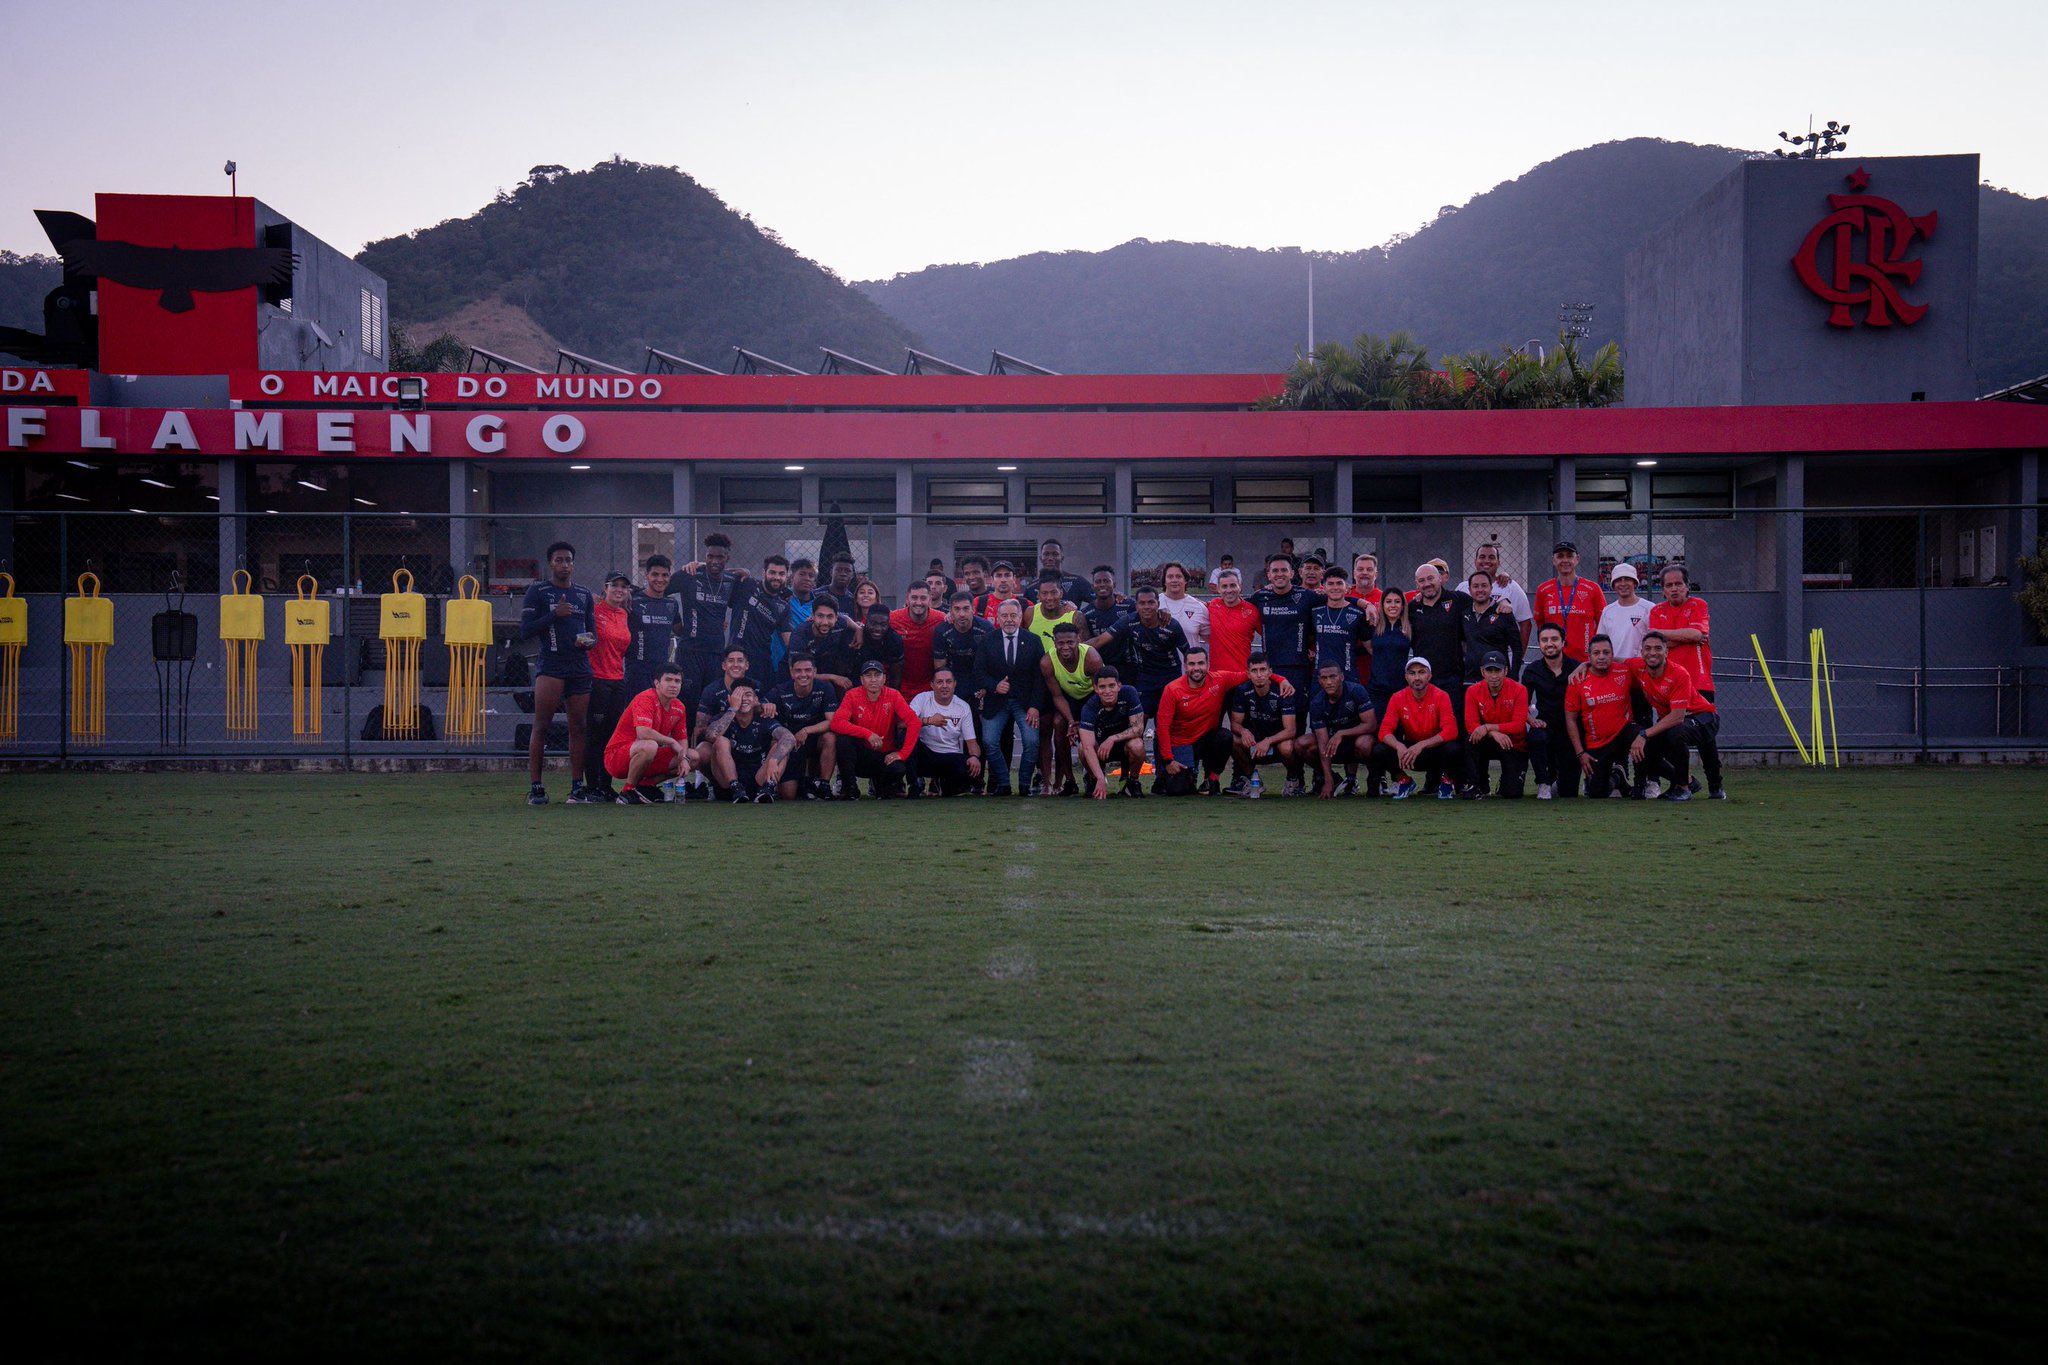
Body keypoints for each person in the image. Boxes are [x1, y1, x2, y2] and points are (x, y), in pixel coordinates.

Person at [521, 541, 600, 806]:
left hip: (579, 667)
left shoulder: (583, 594)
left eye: (568, 560)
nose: (564, 564)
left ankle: (577, 788)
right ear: (550, 563)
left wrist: (588, 641)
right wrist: (554, 615)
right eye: (559, 560)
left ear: (573, 564)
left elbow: (593, 633)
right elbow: (525, 631)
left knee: (578, 727)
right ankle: (536, 788)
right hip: (551, 666)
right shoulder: (538, 591)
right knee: (541, 725)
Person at [1154, 644, 1290, 796]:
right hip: (1180, 744)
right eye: (1192, 664)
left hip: (1205, 741)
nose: (1196, 668)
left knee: (1225, 737)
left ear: (1208, 665)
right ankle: (1170, 778)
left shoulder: (1219, 679)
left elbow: (1254, 674)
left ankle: (1213, 780)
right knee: (1178, 790)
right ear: (1185, 667)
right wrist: (1168, 760)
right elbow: (1162, 727)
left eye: (1200, 663)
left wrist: (1281, 679)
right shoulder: (1172, 689)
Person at [1646, 566, 1724, 798]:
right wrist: (1683, 636)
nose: (1674, 589)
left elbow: (1697, 635)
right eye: (1668, 585)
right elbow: (1659, 643)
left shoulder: (1698, 605)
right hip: (1669, 686)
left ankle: (1716, 787)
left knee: (1706, 742)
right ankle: (1682, 784)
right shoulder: (1657, 611)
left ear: (1687, 586)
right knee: (1670, 737)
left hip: (1699, 683)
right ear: (1662, 590)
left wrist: (1665, 636)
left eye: (1678, 584)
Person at [1629, 631, 1722, 801]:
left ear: (1666, 652)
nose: (1652, 652)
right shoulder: (1637, 666)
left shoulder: (1678, 673)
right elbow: (1616, 665)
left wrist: (1644, 734)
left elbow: (1678, 717)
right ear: (1641, 652)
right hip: (1677, 722)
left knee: (1675, 733)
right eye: (1647, 648)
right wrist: (1585, 666)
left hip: (1703, 717)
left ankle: (1683, 789)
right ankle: (1684, 781)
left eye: (1658, 648)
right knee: (1647, 750)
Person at [974, 600, 1045, 798]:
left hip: (1025, 703)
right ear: (998, 618)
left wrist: (1035, 707)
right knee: (989, 741)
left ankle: (1024, 784)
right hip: (996, 701)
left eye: (1013, 615)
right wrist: (994, 685)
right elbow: (978, 673)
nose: (1009, 620)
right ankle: (1003, 783)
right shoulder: (987, 640)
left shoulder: (1033, 640)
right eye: (1004, 616)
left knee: (1031, 741)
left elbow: (1040, 679)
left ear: (1020, 617)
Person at [604, 661, 696, 805]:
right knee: (650, 745)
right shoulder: (645, 698)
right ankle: (627, 791)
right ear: (657, 683)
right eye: (668, 680)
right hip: (617, 757)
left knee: (693, 756)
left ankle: (646, 786)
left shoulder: (679, 706)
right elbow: (643, 733)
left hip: (646, 755)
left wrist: (684, 758)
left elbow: (682, 739)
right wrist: (671, 741)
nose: (673, 685)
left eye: (677, 681)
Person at [1370, 657, 1461, 800]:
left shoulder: (1441, 696)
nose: (1417, 677)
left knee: (1454, 748)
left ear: (1429, 676)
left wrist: (1422, 744)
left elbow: (1451, 730)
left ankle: (1447, 782)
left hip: (1433, 751)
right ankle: (1403, 780)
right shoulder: (1397, 697)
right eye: (1412, 673)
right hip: (1409, 753)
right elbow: (1384, 731)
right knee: (1379, 750)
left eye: (1421, 672)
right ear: (1406, 677)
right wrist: (1399, 746)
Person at [829, 660, 921, 799]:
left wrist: (902, 754)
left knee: (898, 768)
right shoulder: (852, 695)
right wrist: (867, 734)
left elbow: (914, 722)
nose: (873, 680)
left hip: (884, 756)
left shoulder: (893, 695)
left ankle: (882, 787)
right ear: (861, 679)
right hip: (860, 756)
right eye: (868, 675)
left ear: (884, 679)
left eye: (877, 675)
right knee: (843, 740)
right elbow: (836, 723)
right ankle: (850, 788)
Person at [1565, 634, 1642, 799]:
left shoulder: (1625, 670)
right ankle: (1618, 777)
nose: (1601, 657)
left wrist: (1643, 736)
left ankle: (1646, 785)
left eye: (1606, 652)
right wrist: (1581, 753)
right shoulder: (1578, 679)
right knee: (1597, 793)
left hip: (1624, 733)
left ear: (1613, 655)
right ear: (1589, 656)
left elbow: (1647, 664)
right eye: (1596, 653)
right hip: (1597, 743)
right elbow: (1570, 719)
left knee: (1645, 741)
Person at [932, 591, 994, 791]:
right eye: (956, 609)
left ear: (973, 610)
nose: (961, 614)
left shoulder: (985, 628)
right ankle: (941, 779)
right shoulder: (942, 631)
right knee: (948, 731)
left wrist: (986, 687)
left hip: (980, 684)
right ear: (950, 611)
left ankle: (979, 780)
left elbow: (992, 663)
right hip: (954, 684)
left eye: (966, 608)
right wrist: (945, 691)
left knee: (978, 731)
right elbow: (940, 667)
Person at [582, 572, 634, 802]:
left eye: (624, 586)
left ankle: (606, 785)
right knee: (595, 734)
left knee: (612, 736)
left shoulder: (624, 614)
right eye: (615, 586)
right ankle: (591, 786)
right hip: (596, 679)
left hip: (617, 681)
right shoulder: (593, 610)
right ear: (605, 588)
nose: (619, 590)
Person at [676, 532, 744, 705]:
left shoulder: (731, 580)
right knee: (688, 701)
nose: (714, 561)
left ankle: (708, 733)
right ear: (704, 557)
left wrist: (747, 572)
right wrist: (676, 623)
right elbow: (659, 589)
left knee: (711, 702)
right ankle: (685, 733)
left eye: (719, 557)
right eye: (710, 556)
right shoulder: (690, 574)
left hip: (715, 652)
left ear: (727, 558)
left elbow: (743, 601)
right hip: (690, 651)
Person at [705, 679, 797, 804]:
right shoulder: (722, 718)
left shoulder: (764, 719)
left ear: (756, 700)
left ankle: (768, 788)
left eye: (748, 695)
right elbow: (711, 735)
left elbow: (789, 738)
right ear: (729, 698)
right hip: (728, 783)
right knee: (720, 741)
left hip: (758, 779)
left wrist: (774, 760)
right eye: (738, 695)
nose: (743, 699)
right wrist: (732, 708)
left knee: (780, 745)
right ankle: (736, 788)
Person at [1038, 621, 1103, 796]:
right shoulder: (1047, 662)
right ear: (1054, 643)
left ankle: (1093, 776)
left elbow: (1101, 690)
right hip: (1068, 699)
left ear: (1079, 640)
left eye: (1070, 642)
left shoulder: (1091, 657)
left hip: (1093, 698)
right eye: (1061, 643)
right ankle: (1069, 780)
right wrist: (1071, 721)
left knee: (1090, 733)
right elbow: (1057, 696)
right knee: (1058, 723)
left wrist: (1085, 720)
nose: (1065, 647)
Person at [1227, 652, 1302, 796]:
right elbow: (1235, 724)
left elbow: (1291, 730)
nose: (1259, 674)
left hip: (1277, 742)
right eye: (1254, 671)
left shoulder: (1283, 691)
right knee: (1232, 739)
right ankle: (1252, 780)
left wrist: (1268, 741)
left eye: (1263, 670)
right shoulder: (1242, 691)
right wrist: (1243, 731)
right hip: (1253, 742)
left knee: (1287, 747)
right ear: (1248, 674)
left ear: (1270, 672)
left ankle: (1293, 780)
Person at [767, 653, 840, 800]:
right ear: (791, 672)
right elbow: (759, 705)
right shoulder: (780, 691)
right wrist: (764, 705)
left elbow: (832, 721)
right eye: (798, 670)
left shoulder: (825, 688)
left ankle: (824, 785)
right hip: (790, 745)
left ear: (814, 671)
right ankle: (791, 783)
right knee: (788, 795)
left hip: (813, 739)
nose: (803, 674)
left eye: (807, 670)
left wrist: (807, 730)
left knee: (830, 737)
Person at [1520, 622, 1579, 800]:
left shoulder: (1576, 667)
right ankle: (1544, 783)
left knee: (1568, 794)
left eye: (1554, 639)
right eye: (1544, 640)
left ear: (1563, 642)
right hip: (1546, 726)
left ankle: (1559, 781)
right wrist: (1531, 720)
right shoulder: (1532, 670)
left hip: (1571, 730)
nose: (1549, 643)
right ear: (1539, 643)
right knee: (1535, 737)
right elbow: (1522, 704)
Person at [1305, 661, 1376, 799]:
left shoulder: (1356, 691)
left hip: (1356, 742)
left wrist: (1342, 733)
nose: (1329, 682)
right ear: (1319, 681)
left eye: (1333, 677)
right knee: (1302, 744)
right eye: (1324, 678)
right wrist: (1328, 780)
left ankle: (1374, 779)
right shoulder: (1317, 703)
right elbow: (1322, 742)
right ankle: (1335, 779)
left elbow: (1371, 725)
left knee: (1365, 743)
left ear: (1341, 677)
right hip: (1333, 745)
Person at [1462, 650, 1529, 798]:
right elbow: (1471, 725)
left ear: (1505, 671)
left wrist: (1488, 727)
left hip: (1512, 743)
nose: (1493, 675)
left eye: (1497, 670)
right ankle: (1476, 784)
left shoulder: (1520, 690)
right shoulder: (1472, 691)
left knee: (1512, 793)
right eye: (1489, 670)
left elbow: (1518, 725)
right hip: (1487, 741)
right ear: (1482, 671)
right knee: (1470, 739)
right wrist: (1492, 732)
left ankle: (1506, 781)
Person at [1248, 554, 1316, 697]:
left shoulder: (1306, 596)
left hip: (1298, 667)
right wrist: (1206, 606)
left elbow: (1338, 600)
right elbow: (1236, 605)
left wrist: (1364, 604)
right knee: (1273, 716)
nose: (1280, 574)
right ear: (1269, 575)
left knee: (1298, 716)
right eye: (1275, 571)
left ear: (1292, 573)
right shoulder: (1260, 596)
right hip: (1270, 668)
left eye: (1284, 570)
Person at [908, 665, 982, 796]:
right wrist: (928, 721)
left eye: (948, 681)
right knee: (905, 737)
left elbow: (972, 743)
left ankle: (945, 784)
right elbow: (905, 723)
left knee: (969, 768)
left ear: (954, 684)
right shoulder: (921, 699)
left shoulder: (963, 707)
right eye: (939, 682)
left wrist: (975, 757)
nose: (944, 686)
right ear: (932, 685)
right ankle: (914, 783)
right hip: (925, 754)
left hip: (949, 755)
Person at [1077, 667, 1147, 799]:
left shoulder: (1129, 693)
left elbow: (1138, 728)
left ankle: (1132, 781)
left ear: (1119, 686)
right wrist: (1100, 778)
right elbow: (1087, 746)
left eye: (1111, 686)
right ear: (1096, 689)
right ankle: (1094, 779)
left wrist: (1112, 738)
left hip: (1124, 746)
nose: (1108, 691)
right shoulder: (1090, 706)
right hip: (1100, 749)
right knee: (1081, 748)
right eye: (1102, 687)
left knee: (1138, 745)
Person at [1534, 540, 1607, 663]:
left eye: (1569, 556)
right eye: (1560, 556)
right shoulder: (1543, 590)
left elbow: (1603, 624)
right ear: (1554, 560)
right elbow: (1541, 625)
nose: (1565, 560)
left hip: (1585, 661)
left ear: (1577, 559)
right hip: (1554, 660)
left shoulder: (1593, 589)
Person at [1405, 562, 1466, 710]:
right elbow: (1388, 603)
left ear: (1440, 578)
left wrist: (1503, 602)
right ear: (1416, 585)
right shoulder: (1412, 607)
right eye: (1422, 581)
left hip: (1453, 678)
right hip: (1424, 679)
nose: (1427, 584)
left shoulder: (1458, 600)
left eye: (1430, 578)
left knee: (1454, 724)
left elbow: (1483, 600)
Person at [728, 554, 792, 685]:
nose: (777, 577)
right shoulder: (747, 583)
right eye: (772, 572)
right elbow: (717, 571)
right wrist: (700, 565)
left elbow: (788, 640)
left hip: (761, 661)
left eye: (781, 574)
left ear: (786, 577)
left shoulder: (783, 607)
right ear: (764, 573)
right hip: (737, 655)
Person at [1310, 568, 1374, 686]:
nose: (1335, 587)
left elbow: (1370, 648)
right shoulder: (1315, 611)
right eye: (1330, 584)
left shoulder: (1358, 614)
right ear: (1324, 587)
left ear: (1347, 587)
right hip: (1321, 677)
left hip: (1347, 676)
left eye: (1339, 583)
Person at [1459, 569, 1523, 680]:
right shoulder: (1464, 613)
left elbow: (1517, 647)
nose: (1480, 590)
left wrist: (1514, 675)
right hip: (1471, 678)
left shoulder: (1503, 612)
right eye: (1476, 586)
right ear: (1469, 590)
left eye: (1484, 585)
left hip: (1498, 679)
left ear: (1491, 588)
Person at [1364, 586, 1413, 721]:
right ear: (1382, 605)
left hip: (1402, 688)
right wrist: (1365, 604)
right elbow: (1370, 649)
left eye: (1397, 602)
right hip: (1377, 689)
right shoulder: (1373, 625)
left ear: (1403, 606)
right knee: (1377, 729)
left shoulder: (1409, 626)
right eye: (1388, 601)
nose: (1393, 605)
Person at [1473, 542, 1531, 653]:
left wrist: (1519, 656)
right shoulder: (1463, 587)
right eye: (1482, 557)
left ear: (1498, 563)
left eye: (1491, 557)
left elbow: (1525, 624)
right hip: (1471, 658)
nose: (1486, 561)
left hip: (1503, 658)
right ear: (1475, 561)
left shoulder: (1510, 587)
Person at [889, 582, 943, 700]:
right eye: (914, 597)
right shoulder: (893, 618)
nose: (918, 602)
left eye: (923, 598)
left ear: (930, 599)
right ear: (907, 599)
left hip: (931, 688)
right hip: (900, 687)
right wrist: (858, 630)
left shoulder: (942, 619)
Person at [792, 596, 858, 692]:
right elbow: (797, 673)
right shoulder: (800, 635)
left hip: (825, 666)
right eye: (820, 616)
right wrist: (833, 677)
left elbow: (847, 619)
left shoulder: (840, 623)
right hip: (799, 677)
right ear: (812, 616)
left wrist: (859, 630)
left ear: (836, 618)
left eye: (830, 617)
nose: (825, 622)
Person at [1205, 568, 1261, 676]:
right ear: (1218, 589)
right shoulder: (1212, 605)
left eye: (1233, 585)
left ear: (1240, 586)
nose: (1229, 590)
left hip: (1242, 676)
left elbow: (1269, 636)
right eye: (1224, 586)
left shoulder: (1252, 611)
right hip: (1216, 676)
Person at [1596, 563, 1655, 662]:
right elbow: (1600, 642)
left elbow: (1656, 641)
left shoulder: (1649, 608)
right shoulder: (1607, 611)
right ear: (1613, 585)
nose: (1623, 584)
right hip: (1614, 667)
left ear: (1635, 583)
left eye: (1627, 579)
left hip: (1640, 666)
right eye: (1618, 580)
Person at [1024, 571, 1083, 654]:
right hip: (1037, 665)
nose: (1049, 597)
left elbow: (1085, 648)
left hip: (1066, 665)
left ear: (1061, 593)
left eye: (1054, 592)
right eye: (1044, 593)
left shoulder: (1075, 616)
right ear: (1038, 595)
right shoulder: (1030, 613)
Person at [1157, 562, 1209, 646]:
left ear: (1185, 580)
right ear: (1164, 581)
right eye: (1170, 577)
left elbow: (1211, 640)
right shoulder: (1154, 604)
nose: (1174, 580)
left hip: (1189, 659)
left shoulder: (1199, 607)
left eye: (1179, 576)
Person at [857, 603, 904, 688]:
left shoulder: (894, 640)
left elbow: (896, 676)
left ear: (888, 623)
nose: (878, 629)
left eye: (883, 624)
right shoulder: (857, 636)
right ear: (866, 620)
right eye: (873, 623)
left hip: (883, 684)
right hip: (857, 681)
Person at [1036, 538, 1092, 606]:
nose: (1050, 558)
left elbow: (1098, 603)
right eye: (1046, 554)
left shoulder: (1078, 582)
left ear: (1062, 558)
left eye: (1055, 554)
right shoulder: (1031, 588)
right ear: (1040, 558)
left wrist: (1082, 615)